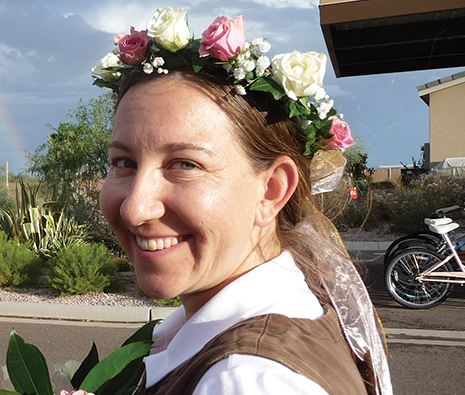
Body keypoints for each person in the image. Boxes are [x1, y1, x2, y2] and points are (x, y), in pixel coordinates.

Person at [93, 7, 391, 395]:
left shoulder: (246, 381)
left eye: (185, 164)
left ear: (271, 191)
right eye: (124, 162)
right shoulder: (291, 309)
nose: (135, 208)